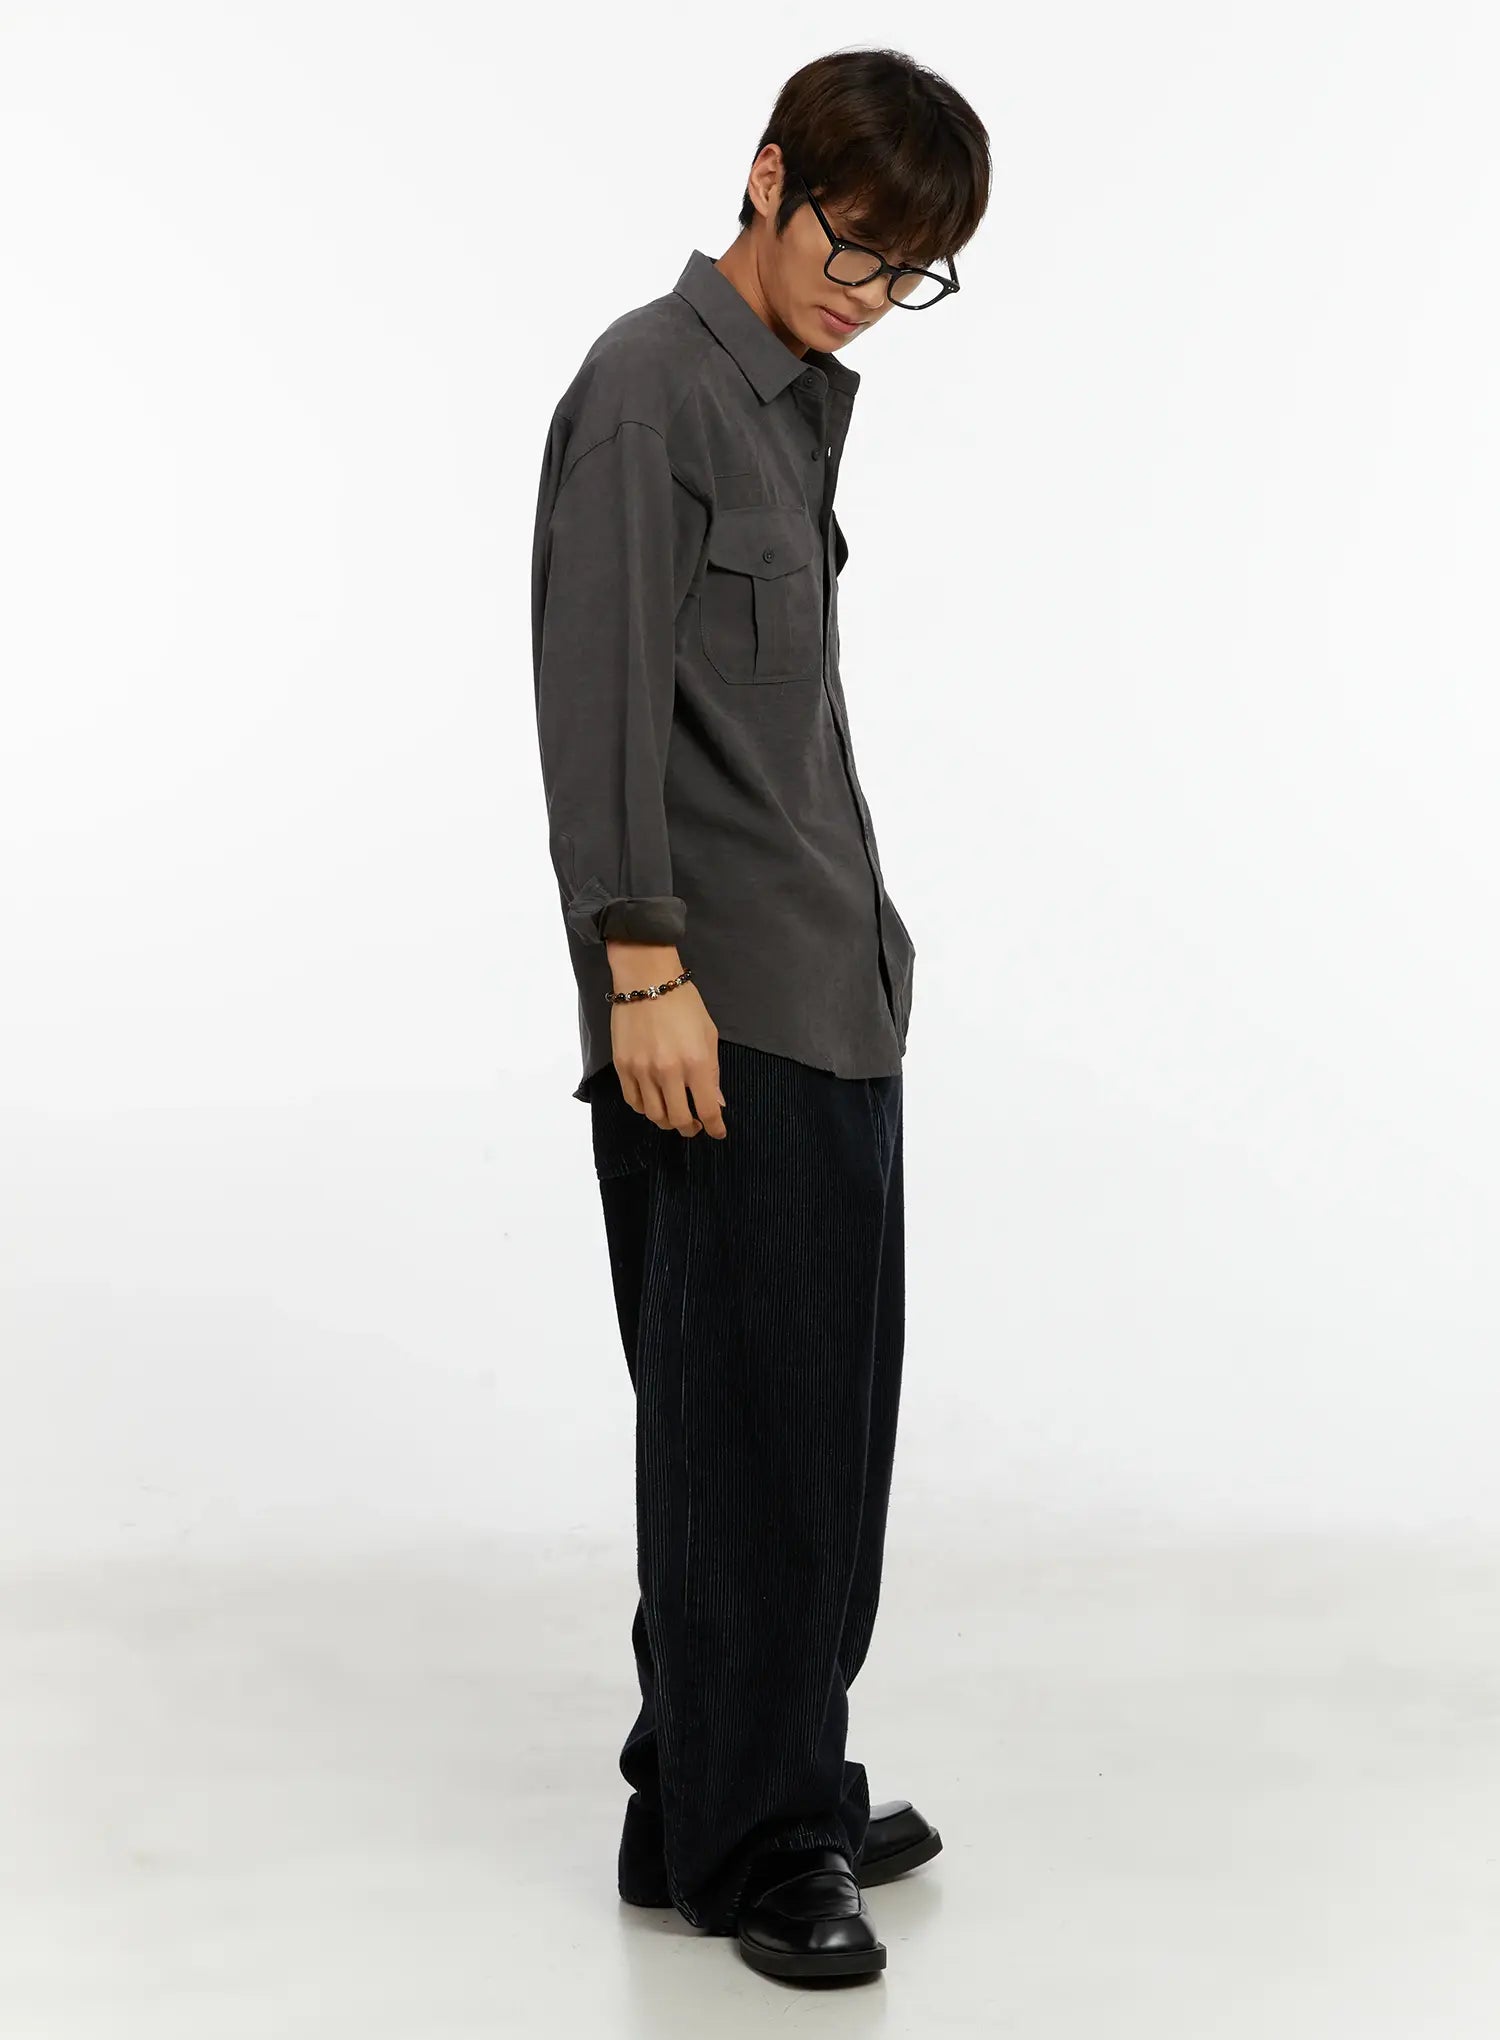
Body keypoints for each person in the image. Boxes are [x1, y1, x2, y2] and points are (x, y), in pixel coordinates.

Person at [529, 47, 990, 1983]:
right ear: (768, 176)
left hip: (829, 990)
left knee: (807, 1438)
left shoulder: (787, 405)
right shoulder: (652, 388)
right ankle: (767, 1839)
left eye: (910, 273)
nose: (867, 292)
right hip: (714, 1012)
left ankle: (719, 1787)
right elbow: (599, 703)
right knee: (757, 1445)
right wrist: (642, 970)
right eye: (852, 244)